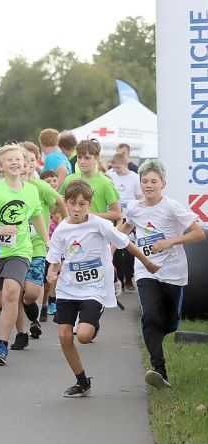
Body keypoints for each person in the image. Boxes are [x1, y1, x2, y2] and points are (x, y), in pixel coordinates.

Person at [46, 179, 160, 398]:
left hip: (93, 288)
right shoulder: (61, 230)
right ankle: (82, 381)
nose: (77, 209)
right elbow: (56, 258)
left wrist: (147, 263)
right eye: (72, 204)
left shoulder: (99, 224)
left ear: (89, 204)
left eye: (82, 204)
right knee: (64, 336)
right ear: (66, 204)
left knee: (85, 336)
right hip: (68, 288)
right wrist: (52, 271)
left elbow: (126, 243)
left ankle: (93, 320)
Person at [120, 160, 206, 389]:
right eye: (144, 181)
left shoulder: (172, 207)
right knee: (149, 316)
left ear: (163, 184)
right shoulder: (134, 207)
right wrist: (108, 244)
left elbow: (198, 234)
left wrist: (170, 241)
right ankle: (159, 370)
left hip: (173, 273)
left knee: (168, 324)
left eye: (153, 181)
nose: (148, 185)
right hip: (146, 270)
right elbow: (125, 229)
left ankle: (168, 326)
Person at [0, 144, 49, 365]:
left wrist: (48, 241)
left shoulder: (31, 190)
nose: (14, 163)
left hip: (20, 250)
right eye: (9, 160)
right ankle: (17, 310)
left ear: (25, 164)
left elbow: (38, 216)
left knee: (11, 293)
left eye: (18, 159)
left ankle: (2, 345)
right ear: (0, 166)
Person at [12, 147, 66, 351]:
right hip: (14, 247)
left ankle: (31, 311)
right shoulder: (7, 187)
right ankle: (21, 333)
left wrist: (65, 224)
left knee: (31, 294)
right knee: (14, 292)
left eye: (27, 163)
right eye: (20, 163)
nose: (24, 167)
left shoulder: (39, 186)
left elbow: (59, 201)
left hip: (36, 246)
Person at [60, 139, 121, 222]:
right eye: (79, 157)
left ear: (97, 159)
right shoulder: (69, 179)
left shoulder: (106, 183)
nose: (82, 162)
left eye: (87, 158)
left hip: (95, 231)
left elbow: (117, 214)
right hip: (72, 230)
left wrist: (93, 215)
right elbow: (60, 204)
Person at [108, 152, 143, 292]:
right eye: (114, 167)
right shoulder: (110, 175)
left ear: (126, 164)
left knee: (128, 249)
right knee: (114, 249)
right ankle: (118, 280)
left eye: (119, 168)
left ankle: (129, 279)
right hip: (115, 217)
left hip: (129, 218)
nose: (116, 170)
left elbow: (140, 197)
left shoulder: (134, 178)